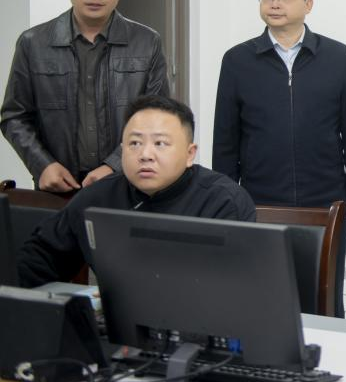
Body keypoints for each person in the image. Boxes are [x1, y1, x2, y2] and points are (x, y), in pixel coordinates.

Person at [212, 0, 346, 318]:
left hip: (325, 197)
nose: (275, 3)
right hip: (259, 198)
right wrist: (226, 195)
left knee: (324, 290)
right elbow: (225, 138)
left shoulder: (337, 56)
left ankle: (329, 346)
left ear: (308, 4)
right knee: (263, 291)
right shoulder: (238, 60)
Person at [18, 95, 255, 287]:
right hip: (117, 323)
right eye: (135, 143)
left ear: (189, 154)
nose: (145, 154)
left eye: (160, 143)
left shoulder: (223, 201)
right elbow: (39, 258)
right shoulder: (97, 197)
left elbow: (232, 290)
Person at [2, 0, 169, 193]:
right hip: (58, 188)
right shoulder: (33, 43)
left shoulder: (147, 42)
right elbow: (15, 116)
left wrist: (114, 166)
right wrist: (42, 165)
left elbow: (158, 116)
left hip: (128, 185)